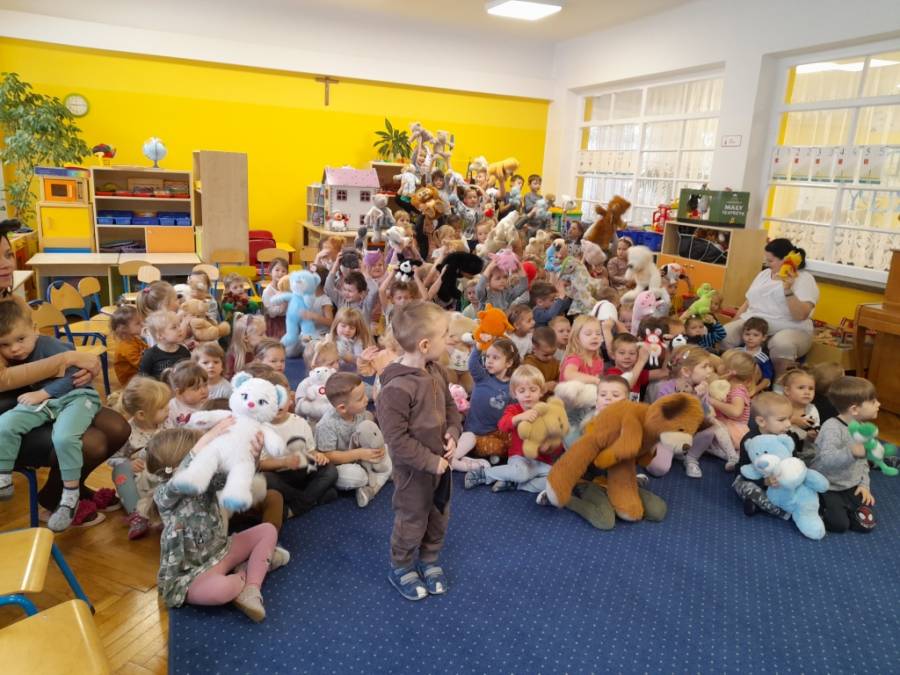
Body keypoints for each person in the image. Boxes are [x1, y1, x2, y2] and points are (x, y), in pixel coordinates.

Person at [0, 220, 127, 527]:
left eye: (7, 254)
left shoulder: (12, 300)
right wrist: (66, 360)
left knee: (118, 428)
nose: (6, 264)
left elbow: (37, 346)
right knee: (92, 442)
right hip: (9, 410)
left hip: (39, 393)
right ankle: (51, 503)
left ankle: (69, 491)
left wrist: (75, 371)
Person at [149, 423, 289, 621]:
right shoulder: (164, 494)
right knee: (222, 590)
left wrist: (254, 456)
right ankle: (250, 569)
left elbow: (236, 476)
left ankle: (251, 588)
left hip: (222, 550)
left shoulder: (206, 481)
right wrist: (205, 441)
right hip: (192, 574)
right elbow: (180, 479)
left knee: (267, 530)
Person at [375, 301, 462, 600]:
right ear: (425, 344)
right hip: (414, 472)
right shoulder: (396, 389)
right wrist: (430, 461)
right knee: (412, 518)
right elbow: (396, 440)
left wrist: (453, 433)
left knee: (439, 514)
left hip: (441, 467)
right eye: (445, 334)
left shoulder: (437, 371)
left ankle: (429, 559)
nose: (450, 338)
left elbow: (451, 408)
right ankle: (401, 565)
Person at [0, 298, 103, 531]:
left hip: (74, 397)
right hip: (46, 401)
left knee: (65, 438)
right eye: (5, 345)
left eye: (20, 339)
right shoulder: (17, 353)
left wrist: (42, 393)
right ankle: (3, 477)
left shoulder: (48, 345)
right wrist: (41, 396)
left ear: (35, 330)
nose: (14, 349)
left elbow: (74, 377)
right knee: (5, 423)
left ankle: (69, 496)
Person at [721, 238, 819, 376]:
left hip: (790, 327)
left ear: (786, 259)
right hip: (756, 323)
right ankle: (730, 375)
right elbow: (748, 302)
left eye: (771, 260)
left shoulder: (804, 279)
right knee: (725, 334)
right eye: (766, 259)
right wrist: (733, 323)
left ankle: (779, 384)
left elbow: (801, 315)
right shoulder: (764, 274)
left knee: (782, 344)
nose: (767, 264)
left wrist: (787, 289)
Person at [253, 367, 338, 519]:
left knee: (330, 470)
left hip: (302, 471)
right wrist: (284, 462)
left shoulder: (300, 422)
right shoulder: (260, 428)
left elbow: (310, 451)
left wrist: (318, 456)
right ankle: (310, 499)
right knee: (263, 479)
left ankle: (295, 506)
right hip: (279, 476)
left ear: (290, 399)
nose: (277, 405)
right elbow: (261, 464)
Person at [464, 365, 562, 497]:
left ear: (541, 391)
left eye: (533, 390)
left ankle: (516, 484)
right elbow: (502, 425)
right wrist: (519, 418)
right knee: (521, 473)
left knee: (557, 480)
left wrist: (550, 446)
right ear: (515, 394)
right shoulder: (513, 409)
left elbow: (557, 441)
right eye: (522, 391)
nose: (527, 394)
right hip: (519, 459)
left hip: (542, 462)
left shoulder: (547, 411)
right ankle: (484, 474)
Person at [811, 376, 880, 534]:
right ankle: (815, 501)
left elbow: (863, 463)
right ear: (854, 409)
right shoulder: (831, 427)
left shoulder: (864, 428)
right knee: (839, 525)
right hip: (827, 484)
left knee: (865, 525)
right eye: (873, 401)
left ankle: (841, 505)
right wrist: (852, 452)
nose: (878, 404)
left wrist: (864, 485)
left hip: (850, 483)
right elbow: (827, 460)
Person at [108, 376, 172, 539]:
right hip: (141, 481)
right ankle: (137, 515)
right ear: (142, 414)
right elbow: (113, 458)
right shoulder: (126, 432)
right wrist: (128, 463)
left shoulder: (168, 424)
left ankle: (164, 514)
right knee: (119, 471)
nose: (168, 409)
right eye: (162, 408)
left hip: (165, 476)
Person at [314, 372, 392, 507]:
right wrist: (359, 454)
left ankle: (374, 482)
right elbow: (328, 456)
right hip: (340, 465)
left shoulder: (361, 412)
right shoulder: (327, 425)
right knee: (356, 477)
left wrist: (376, 448)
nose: (366, 399)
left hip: (361, 457)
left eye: (365, 394)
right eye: (360, 398)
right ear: (342, 408)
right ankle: (376, 481)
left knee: (388, 449)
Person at [452, 338, 520, 471]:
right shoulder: (482, 376)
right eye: (487, 356)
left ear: (509, 363)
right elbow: (472, 363)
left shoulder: (512, 386)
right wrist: (478, 347)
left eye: (495, 357)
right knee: (470, 439)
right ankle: (454, 460)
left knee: (507, 444)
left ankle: (467, 457)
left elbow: (513, 412)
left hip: (493, 433)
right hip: (472, 432)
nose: (489, 361)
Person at [732, 392, 793, 519]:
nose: (788, 424)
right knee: (745, 486)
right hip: (754, 478)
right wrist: (763, 482)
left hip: (778, 479)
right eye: (782, 420)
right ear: (761, 421)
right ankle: (779, 510)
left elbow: (792, 460)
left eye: (789, 418)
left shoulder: (786, 437)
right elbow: (742, 469)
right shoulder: (750, 440)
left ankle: (759, 505)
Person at [138, 311, 191, 380]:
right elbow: (143, 378)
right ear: (160, 335)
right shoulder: (150, 355)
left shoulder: (184, 351)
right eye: (174, 327)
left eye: (179, 325)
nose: (180, 329)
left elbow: (189, 373)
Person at [780, 367, 819, 462]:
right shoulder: (781, 406)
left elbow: (815, 428)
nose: (807, 392)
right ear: (787, 390)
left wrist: (812, 435)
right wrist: (793, 420)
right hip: (784, 451)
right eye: (801, 388)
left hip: (806, 452)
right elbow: (774, 424)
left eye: (811, 388)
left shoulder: (812, 409)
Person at [559, 316, 604, 384]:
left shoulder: (598, 360)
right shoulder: (575, 358)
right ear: (577, 338)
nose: (595, 336)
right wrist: (595, 380)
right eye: (588, 334)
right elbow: (569, 374)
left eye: (598, 333)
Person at [111, 304, 147, 388]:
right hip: (131, 380)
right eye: (138, 323)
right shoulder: (126, 347)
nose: (142, 324)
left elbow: (146, 348)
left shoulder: (133, 338)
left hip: (138, 373)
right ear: (124, 329)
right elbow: (140, 364)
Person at [164, 360, 209, 427]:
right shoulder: (170, 409)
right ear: (179, 393)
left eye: (205, 385)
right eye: (196, 388)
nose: (203, 391)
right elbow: (169, 431)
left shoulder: (208, 403)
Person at [225, 313, 266, 379]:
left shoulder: (259, 351)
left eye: (265, 333)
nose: (265, 337)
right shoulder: (232, 356)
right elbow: (229, 378)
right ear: (246, 338)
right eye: (261, 335)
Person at [738, 317, 774, 393]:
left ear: (764, 337)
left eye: (755, 335)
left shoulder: (763, 358)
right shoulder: (736, 351)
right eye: (747, 334)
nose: (750, 338)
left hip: (752, 388)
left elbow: (767, 379)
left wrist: (754, 390)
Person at [524, 326, 560, 394]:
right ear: (534, 349)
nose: (550, 357)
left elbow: (560, 377)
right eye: (546, 355)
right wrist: (545, 386)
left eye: (553, 353)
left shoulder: (555, 362)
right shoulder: (529, 364)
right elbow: (528, 386)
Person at [261, 257, 290, 339]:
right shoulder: (267, 291)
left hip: (288, 320)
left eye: (283, 271)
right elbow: (271, 313)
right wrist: (283, 305)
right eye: (277, 270)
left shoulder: (288, 289)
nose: (280, 273)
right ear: (270, 272)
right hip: (275, 323)